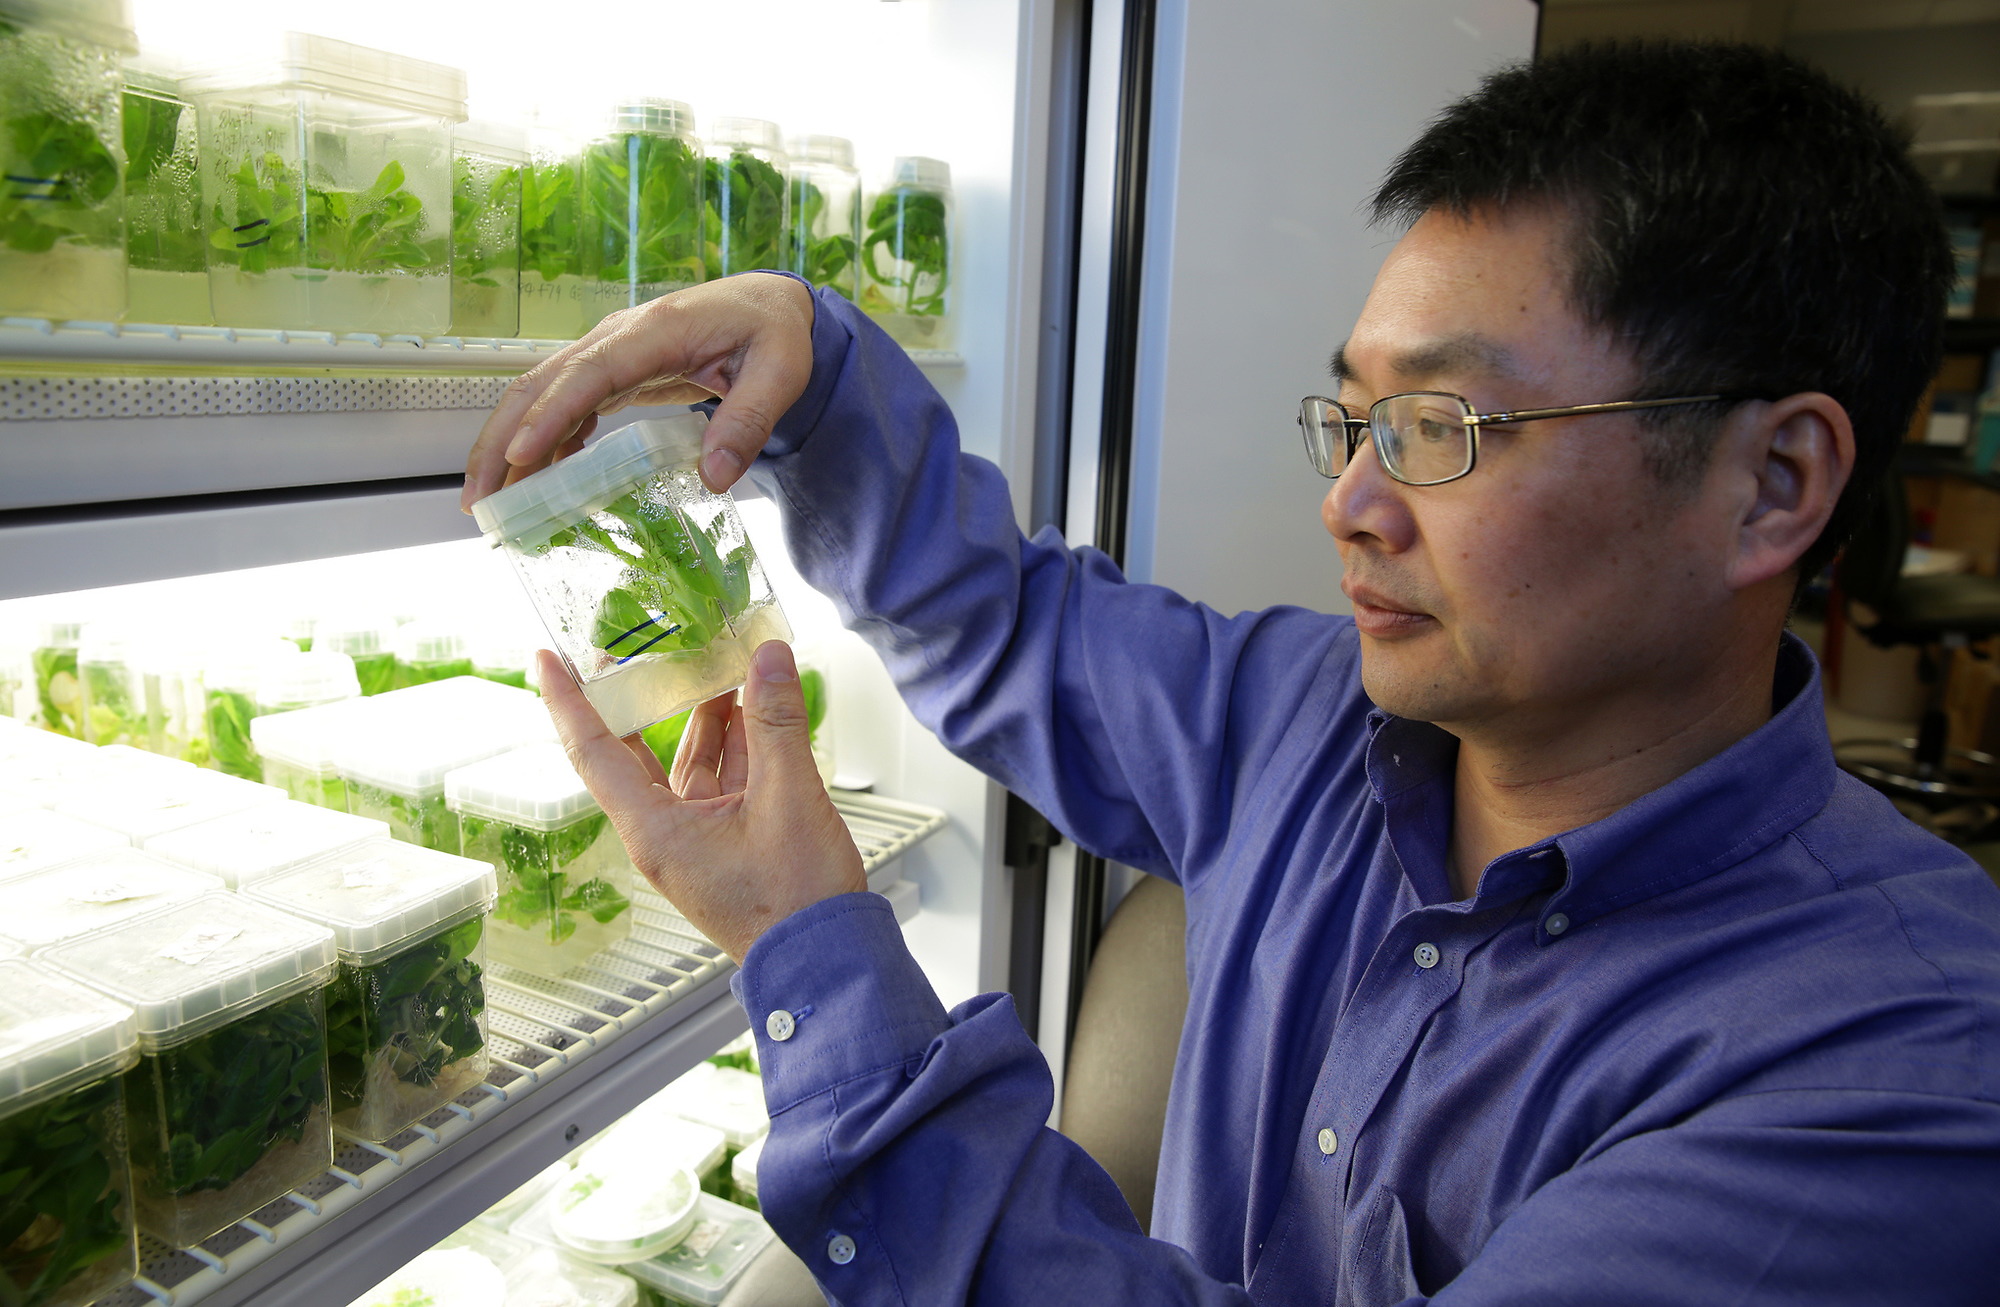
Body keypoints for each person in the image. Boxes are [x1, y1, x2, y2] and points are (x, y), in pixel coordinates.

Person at [464, 41, 2000, 1305]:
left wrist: (805, 941)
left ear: (1775, 483)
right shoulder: (1307, 717)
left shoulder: (1895, 1075)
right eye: (1351, 422)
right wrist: (805, 355)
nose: (1351, 505)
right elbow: (1001, 623)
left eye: (1445, 428)